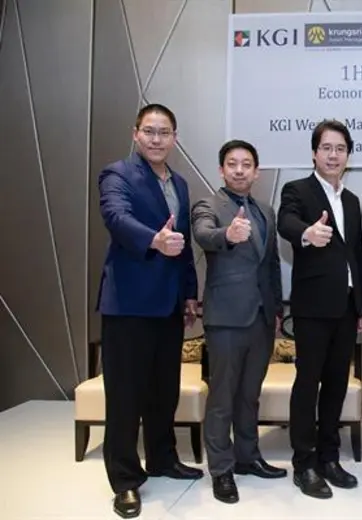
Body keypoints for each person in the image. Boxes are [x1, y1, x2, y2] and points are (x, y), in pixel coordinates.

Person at [96, 103, 203, 519]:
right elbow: (115, 217)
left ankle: (162, 458)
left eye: (164, 132)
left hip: (169, 303)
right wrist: (153, 240)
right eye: (150, 131)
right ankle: (124, 479)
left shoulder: (179, 183)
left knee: (163, 390)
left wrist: (190, 293)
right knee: (126, 395)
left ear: (174, 137)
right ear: (136, 133)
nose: (157, 139)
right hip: (129, 304)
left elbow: (184, 242)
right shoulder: (118, 174)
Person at [191, 140, 287, 504]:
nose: (240, 170)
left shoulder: (266, 210)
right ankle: (221, 469)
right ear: (221, 170)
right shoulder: (208, 205)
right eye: (232, 164)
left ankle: (248, 457)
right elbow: (203, 234)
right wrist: (227, 236)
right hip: (226, 318)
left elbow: (272, 264)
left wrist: (276, 310)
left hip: (261, 318)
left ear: (256, 172)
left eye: (247, 164)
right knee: (223, 396)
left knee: (249, 395)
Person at [278, 120, 362, 499]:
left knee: (336, 384)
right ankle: (304, 463)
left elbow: (356, 256)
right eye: (326, 148)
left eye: (340, 149)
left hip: (346, 307)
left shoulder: (352, 200)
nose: (333, 155)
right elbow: (285, 221)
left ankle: (330, 457)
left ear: (348, 155)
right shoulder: (297, 190)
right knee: (307, 384)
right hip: (312, 307)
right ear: (314, 153)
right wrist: (307, 233)